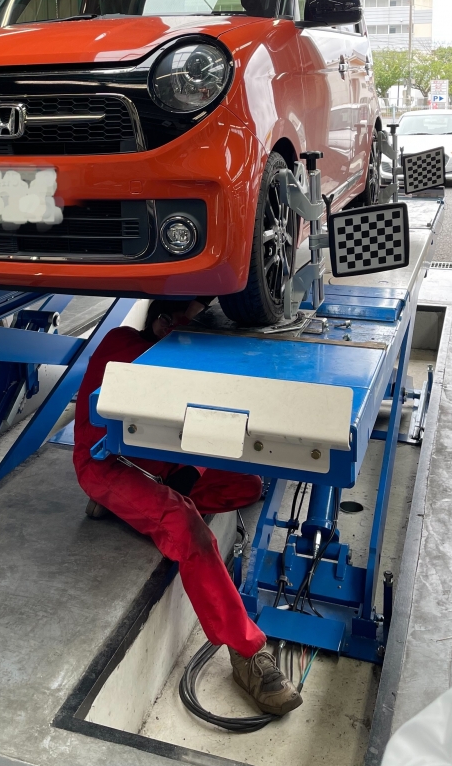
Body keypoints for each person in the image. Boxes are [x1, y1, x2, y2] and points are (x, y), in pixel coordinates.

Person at [73, 298, 302, 717]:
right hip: (109, 464)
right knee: (188, 528)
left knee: (247, 485)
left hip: (160, 460)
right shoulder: (124, 346)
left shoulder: (181, 354)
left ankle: (132, 506)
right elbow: (178, 414)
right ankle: (246, 653)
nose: (205, 338)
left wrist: (192, 472)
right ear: (163, 323)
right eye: (198, 327)